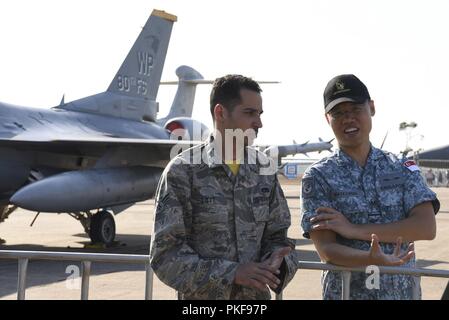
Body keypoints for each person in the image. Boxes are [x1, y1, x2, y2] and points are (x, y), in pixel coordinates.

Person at [150, 74, 298, 299]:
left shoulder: (264, 171)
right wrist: (232, 273)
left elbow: (279, 238)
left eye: (259, 114)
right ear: (220, 113)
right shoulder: (183, 172)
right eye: (249, 113)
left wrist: (279, 263)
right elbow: (165, 256)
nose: (259, 123)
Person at [300, 74, 440, 300]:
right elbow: (327, 250)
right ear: (328, 119)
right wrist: (371, 259)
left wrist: (353, 230)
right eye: (338, 113)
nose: (348, 119)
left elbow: (425, 227)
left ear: (371, 107)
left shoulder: (403, 166)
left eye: (355, 109)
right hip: (347, 294)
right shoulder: (318, 177)